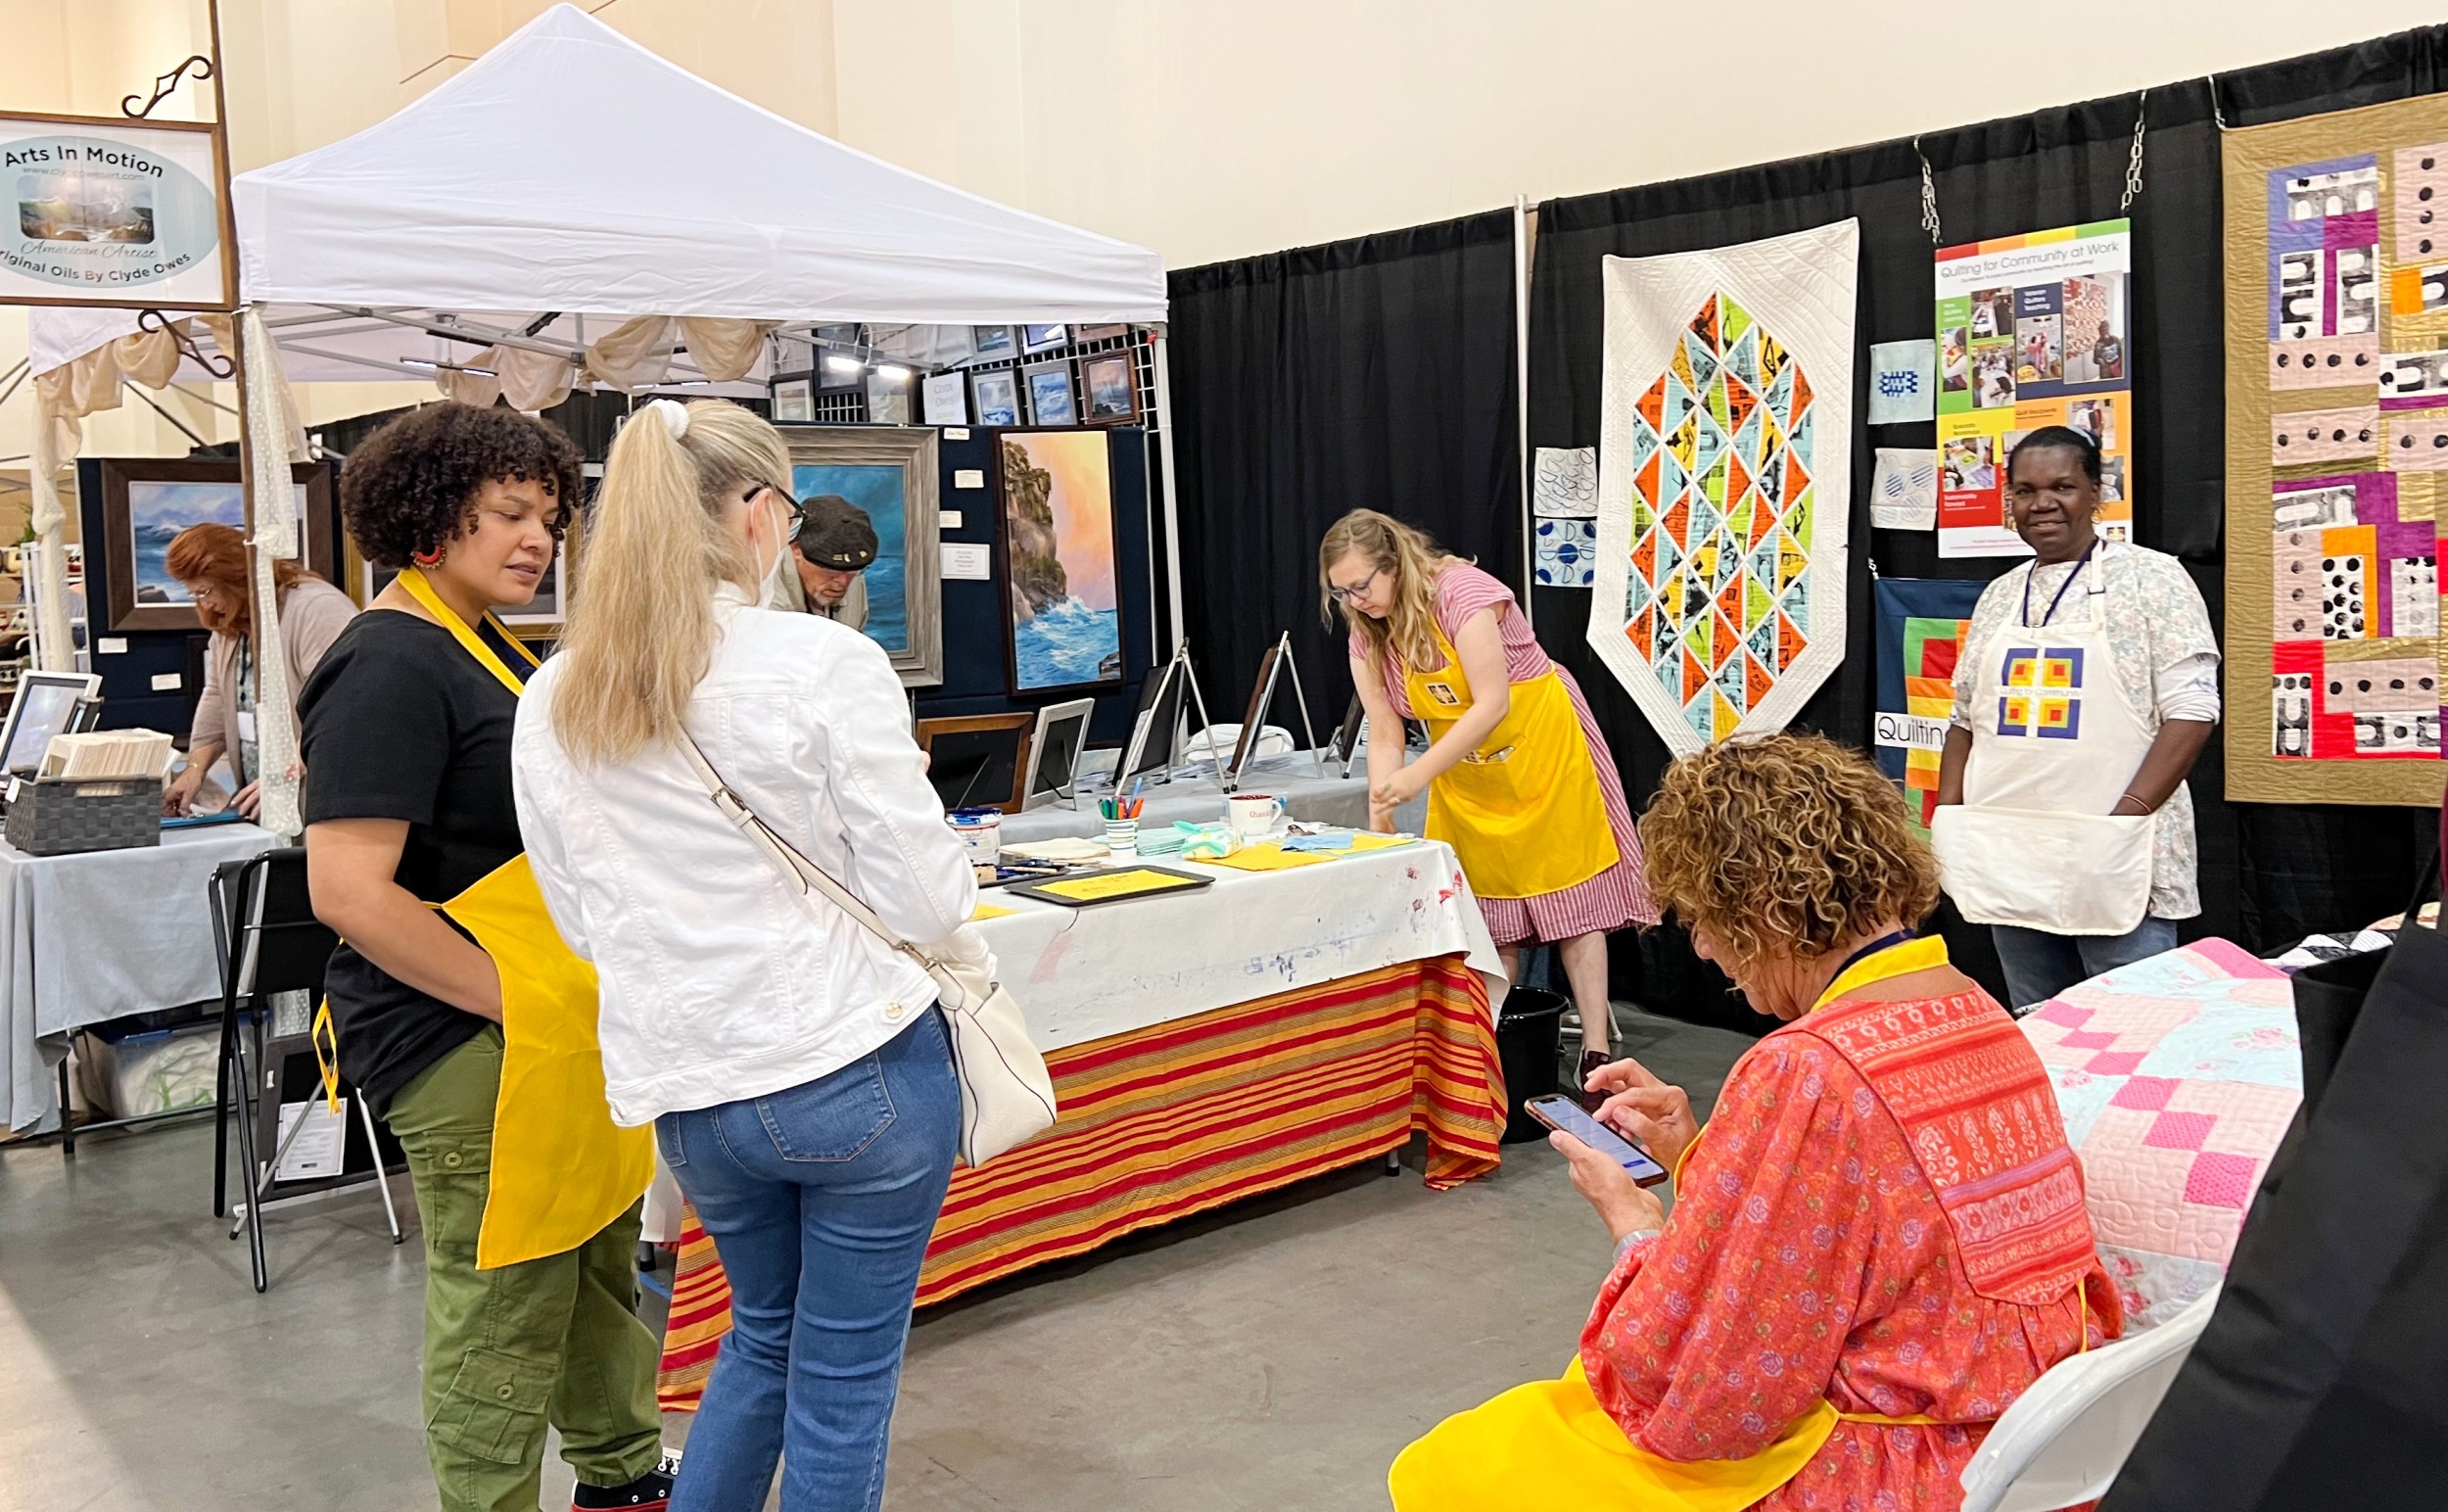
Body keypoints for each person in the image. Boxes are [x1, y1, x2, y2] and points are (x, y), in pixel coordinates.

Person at [1390, 733, 2118, 1512]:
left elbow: (1711, 1390)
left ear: (1764, 910)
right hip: (2036, 1450)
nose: (1704, 949)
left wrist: (1635, 1230)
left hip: (1902, 1468)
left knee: (1458, 1466)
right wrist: (1703, 1154)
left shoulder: (1809, 1069)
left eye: (1705, 920)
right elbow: (1866, 1230)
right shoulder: (1976, 1009)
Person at [512, 399, 975, 1512]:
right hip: (854, 1064)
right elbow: (928, 899)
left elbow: (582, 922)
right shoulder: (822, 663)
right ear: (760, 512)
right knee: (842, 1379)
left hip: (693, 1091)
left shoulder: (556, 694)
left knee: (762, 1337)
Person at [299, 402, 673, 1512]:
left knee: (596, 1262)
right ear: (427, 519)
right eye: (509, 513)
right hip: (464, 1034)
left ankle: (620, 1470)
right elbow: (347, 890)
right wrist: (512, 996)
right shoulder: (387, 664)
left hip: (551, 1023)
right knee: (505, 1301)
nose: (536, 540)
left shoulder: (489, 645)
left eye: (547, 519)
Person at [1321, 509, 1655, 1101]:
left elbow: (1492, 703)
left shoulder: (1464, 595)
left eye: (1362, 586)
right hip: (1468, 775)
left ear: (1394, 564)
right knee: (1489, 917)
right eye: (1340, 592)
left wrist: (1419, 774)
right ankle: (1491, 1056)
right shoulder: (1366, 631)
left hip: (1541, 753)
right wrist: (1381, 810)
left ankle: (1596, 1051)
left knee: (1572, 902)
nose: (1355, 601)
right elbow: (1386, 729)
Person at [1933, 425, 2218, 1009]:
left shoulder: (2153, 578)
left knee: (2134, 1031)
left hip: (2117, 855)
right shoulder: (2000, 596)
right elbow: (1965, 720)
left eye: (2062, 486)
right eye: (2025, 491)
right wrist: (1950, 817)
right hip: (2013, 856)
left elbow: (2192, 713)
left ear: (2095, 492)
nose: (2042, 503)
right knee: (2040, 1024)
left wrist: (2121, 824)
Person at [160, 522, 356, 820]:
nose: (206, 604)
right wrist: (195, 770)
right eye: (195, 595)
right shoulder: (232, 619)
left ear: (236, 578)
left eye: (206, 591)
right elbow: (217, 695)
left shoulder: (318, 609)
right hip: (263, 797)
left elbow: (341, 706)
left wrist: (285, 774)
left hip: (320, 796)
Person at [778, 492, 875, 629]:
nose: (842, 582)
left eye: (852, 570)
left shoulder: (852, 572)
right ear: (796, 549)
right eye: (830, 570)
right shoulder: (763, 597)